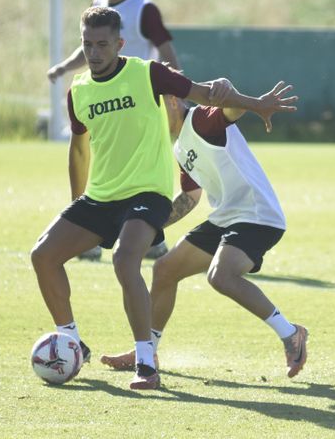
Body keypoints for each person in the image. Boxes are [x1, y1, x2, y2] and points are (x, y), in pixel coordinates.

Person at [30, 6, 297, 390]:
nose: (94, 52)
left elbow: (212, 99)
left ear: (119, 44)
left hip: (200, 204)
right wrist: (84, 207)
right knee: (55, 257)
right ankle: (74, 341)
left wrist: (256, 103)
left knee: (150, 263)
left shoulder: (167, 91)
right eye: (87, 44)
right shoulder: (84, 93)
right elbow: (185, 194)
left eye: (102, 44)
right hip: (130, 202)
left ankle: (147, 362)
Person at [100, 86, 308, 378]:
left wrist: (251, 102)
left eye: (154, 108)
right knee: (164, 270)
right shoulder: (179, 145)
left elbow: (230, 110)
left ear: (173, 101)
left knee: (220, 276)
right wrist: (148, 225)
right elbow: (190, 197)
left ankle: (291, 334)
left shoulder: (200, 120)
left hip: (258, 214)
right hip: (227, 216)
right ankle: (148, 351)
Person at [47, 0, 180, 261]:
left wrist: (173, 90)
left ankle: (148, 235)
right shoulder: (97, 7)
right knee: (103, 164)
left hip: (139, 101)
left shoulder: (144, 9)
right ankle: (114, 235)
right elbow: (89, 49)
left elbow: (166, 50)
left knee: (140, 170)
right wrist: (65, 68)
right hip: (106, 97)